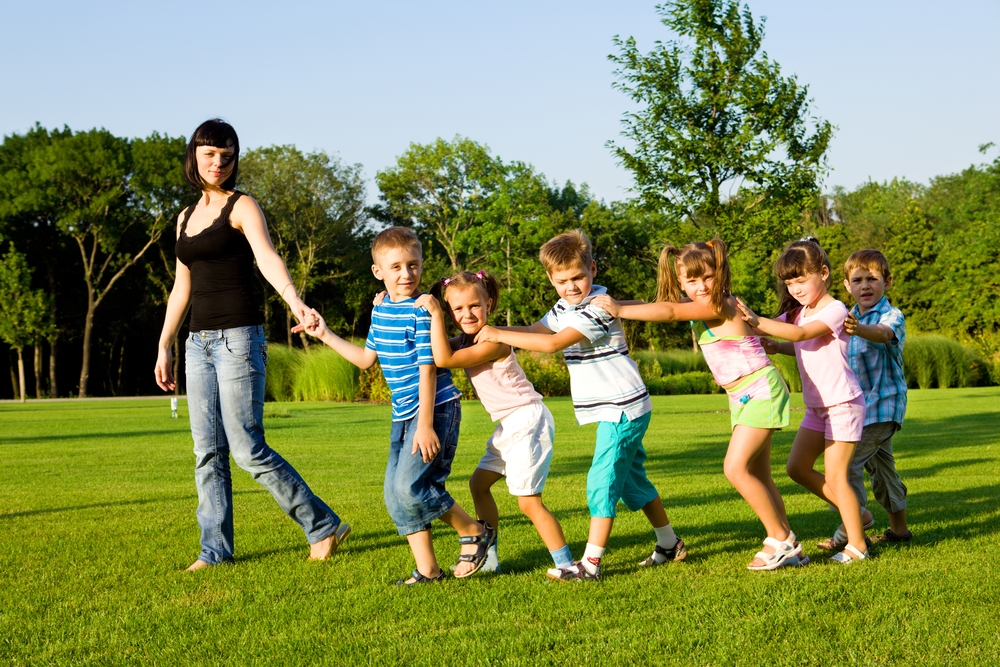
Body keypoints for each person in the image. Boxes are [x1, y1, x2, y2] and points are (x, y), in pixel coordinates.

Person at [153, 118, 349, 571]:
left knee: (245, 448)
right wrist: (165, 344)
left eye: (226, 155)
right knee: (207, 453)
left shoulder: (242, 207)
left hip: (239, 340)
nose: (218, 163)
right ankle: (214, 551)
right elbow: (181, 287)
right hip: (197, 344)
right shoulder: (183, 218)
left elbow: (267, 257)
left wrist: (295, 301)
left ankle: (322, 525)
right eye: (209, 154)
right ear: (194, 157)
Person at [475, 230, 685, 581]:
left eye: (578, 277)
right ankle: (669, 543)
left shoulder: (598, 307)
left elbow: (554, 344)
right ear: (550, 279)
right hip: (614, 409)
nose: (571, 286)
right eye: (562, 281)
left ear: (593, 269)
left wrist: (496, 335)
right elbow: (537, 330)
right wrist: (490, 328)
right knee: (633, 482)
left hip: (623, 408)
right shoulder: (565, 306)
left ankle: (590, 564)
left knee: (601, 482)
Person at [293, 226, 494, 585]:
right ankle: (429, 571)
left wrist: (426, 423)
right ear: (378, 271)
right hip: (402, 413)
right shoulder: (382, 308)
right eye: (397, 267)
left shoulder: (420, 311)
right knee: (394, 494)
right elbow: (366, 359)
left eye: (414, 266)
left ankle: (473, 530)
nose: (407, 274)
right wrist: (323, 333)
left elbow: (428, 368)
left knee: (410, 488)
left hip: (434, 409)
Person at [593, 239, 806, 570]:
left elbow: (670, 310)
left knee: (735, 468)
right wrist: (613, 302)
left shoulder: (720, 304)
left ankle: (778, 539)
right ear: (681, 281)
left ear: (719, 273)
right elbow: (659, 303)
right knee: (760, 473)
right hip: (745, 397)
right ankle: (789, 542)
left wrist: (620, 311)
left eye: (707, 277)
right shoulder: (701, 304)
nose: (701, 286)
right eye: (691, 281)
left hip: (761, 391)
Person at [412, 270, 574, 575]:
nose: (468, 314)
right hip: (509, 424)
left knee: (528, 502)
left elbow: (443, 359)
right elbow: (433, 353)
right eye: (457, 309)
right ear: (450, 311)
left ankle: (567, 565)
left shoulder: (494, 340)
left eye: (475, 306)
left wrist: (434, 314)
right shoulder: (464, 340)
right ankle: (490, 559)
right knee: (479, 484)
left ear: (489, 304)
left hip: (527, 419)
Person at [735, 238, 868, 564]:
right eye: (789, 283)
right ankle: (856, 514)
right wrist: (765, 339)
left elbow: (801, 336)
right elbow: (791, 342)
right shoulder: (799, 312)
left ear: (823, 273)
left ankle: (858, 546)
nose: (794, 288)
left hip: (843, 404)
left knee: (837, 476)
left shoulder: (835, 309)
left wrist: (757, 320)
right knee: (796, 468)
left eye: (801, 280)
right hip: (817, 408)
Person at [814, 249, 911, 548]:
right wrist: (780, 347)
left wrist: (860, 329)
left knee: (843, 467)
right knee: (883, 473)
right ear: (846, 285)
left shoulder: (890, 316)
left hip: (883, 407)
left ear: (888, 282)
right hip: (859, 411)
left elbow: (883, 334)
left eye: (873, 279)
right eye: (857, 280)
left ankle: (851, 531)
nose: (865, 285)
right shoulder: (846, 315)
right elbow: (823, 345)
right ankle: (899, 531)